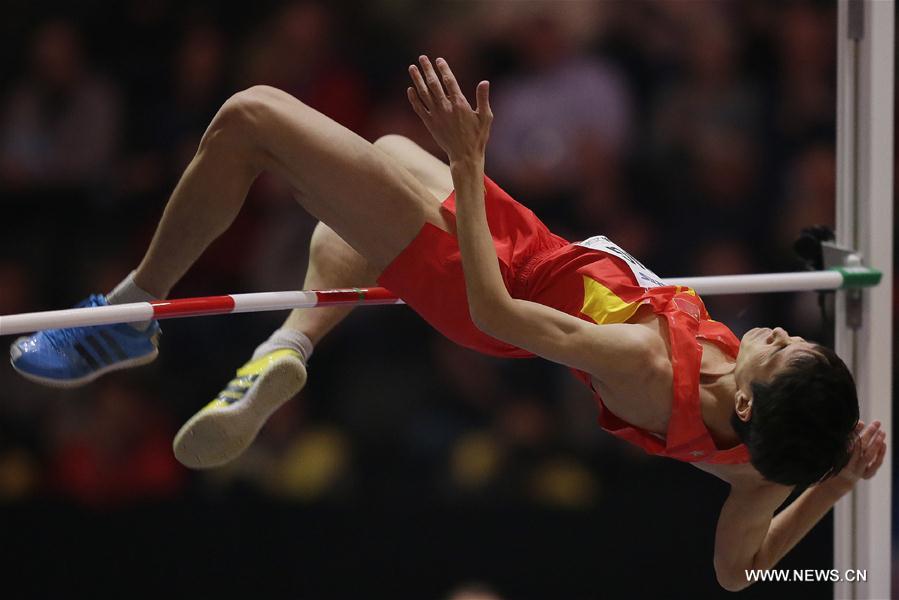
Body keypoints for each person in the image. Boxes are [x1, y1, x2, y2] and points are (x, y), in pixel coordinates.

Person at [9, 56, 885, 591]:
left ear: (747, 406)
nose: (780, 332)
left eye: (783, 350)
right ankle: (283, 347)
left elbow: (496, 309)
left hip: (489, 276)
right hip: (527, 242)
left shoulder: (643, 362)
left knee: (250, 117)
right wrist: (837, 484)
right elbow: (739, 572)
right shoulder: (761, 461)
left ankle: (126, 314)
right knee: (380, 167)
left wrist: (470, 167)